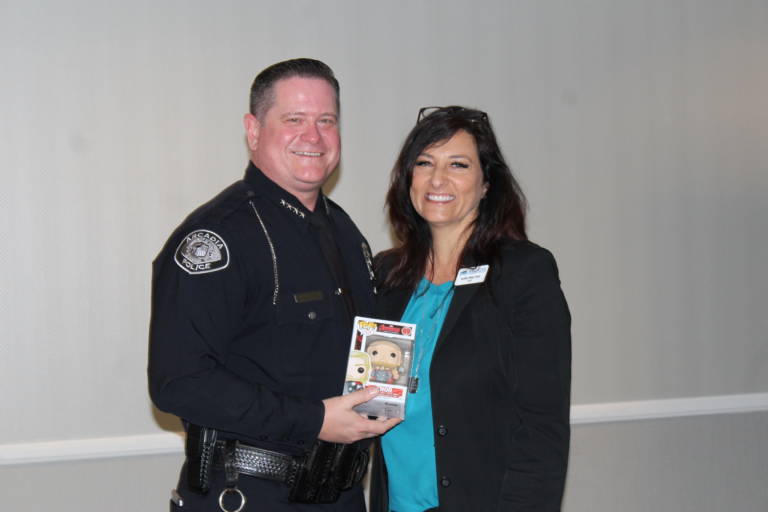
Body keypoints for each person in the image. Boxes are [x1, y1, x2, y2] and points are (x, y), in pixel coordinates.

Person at [148, 58, 400, 512]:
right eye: (294, 120)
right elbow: (179, 383)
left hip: (341, 493)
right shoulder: (215, 238)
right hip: (249, 496)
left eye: (327, 121)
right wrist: (314, 420)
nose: (314, 136)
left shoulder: (345, 232)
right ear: (253, 129)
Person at [370, 106, 571, 511]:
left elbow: (540, 428)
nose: (437, 179)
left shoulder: (522, 273)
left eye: (457, 164)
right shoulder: (387, 274)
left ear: (485, 184)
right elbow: (373, 397)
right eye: (424, 163)